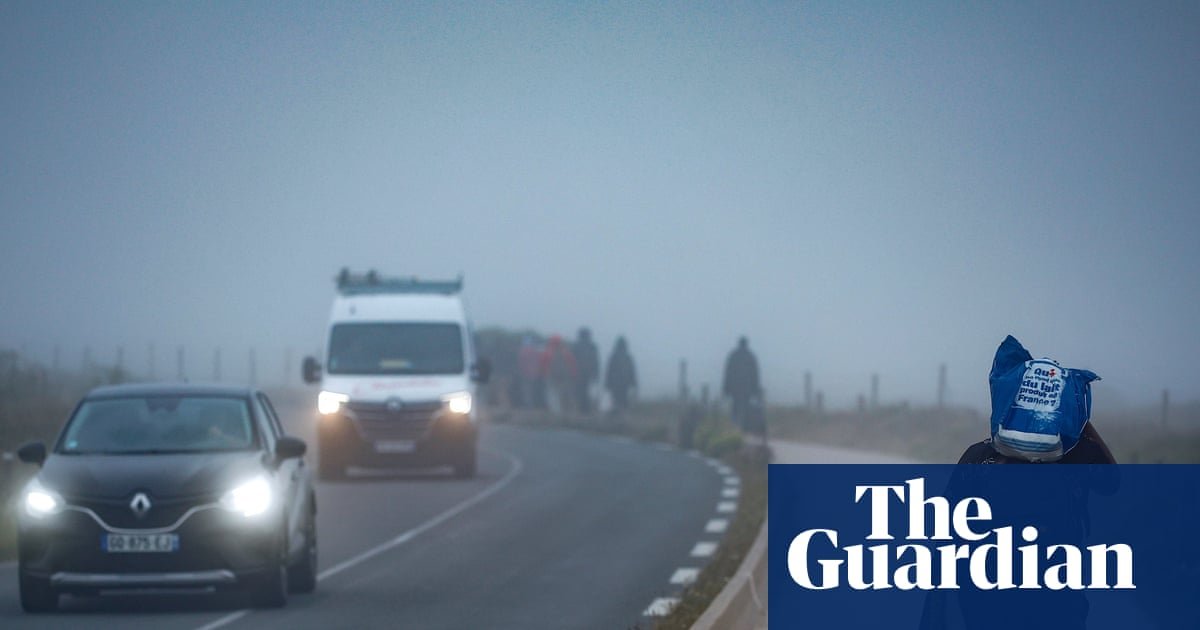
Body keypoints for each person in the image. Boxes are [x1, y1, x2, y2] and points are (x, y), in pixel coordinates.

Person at [722, 336, 761, 429]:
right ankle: (742, 425)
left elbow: (728, 373)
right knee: (744, 406)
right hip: (747, 388)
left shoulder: (734, 356)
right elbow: (755, 374)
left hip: (735, 388)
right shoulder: (750, 356)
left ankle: (736, 425)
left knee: (736, 406)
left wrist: (726, 388)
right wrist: (755, 389)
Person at [540, 335, 577, 415]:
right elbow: (572, 364)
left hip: (550, 376)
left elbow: (543, 364)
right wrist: (573, 374)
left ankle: (555, 410)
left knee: (552, 393)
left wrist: (543, 374)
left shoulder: (547, 352)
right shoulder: (566, 352)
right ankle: (563, 410)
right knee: (562, 392)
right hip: (564, 376)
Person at [604, 336, 637, 416]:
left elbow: (609, 371)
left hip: (616, 383)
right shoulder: (628, 357)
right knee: (623, 399)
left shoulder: (614, 357)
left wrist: (607, 383)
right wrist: (634, 383)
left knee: (616, 399)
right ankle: (622, 415)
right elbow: (632, 371)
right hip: (625, 383)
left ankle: (617, 415)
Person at [572, 327, 600, 415]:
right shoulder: (592, 347)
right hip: (587, 373)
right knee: (585, 390)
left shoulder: (576, 346)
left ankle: (582, 409)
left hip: (579, 373)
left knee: (581, 390)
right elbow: (595, 361)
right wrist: (596, 373)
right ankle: (585, 409)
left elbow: (572, 360)